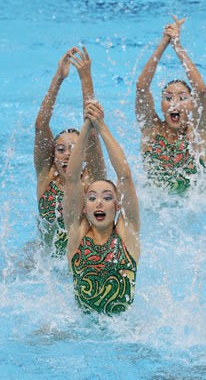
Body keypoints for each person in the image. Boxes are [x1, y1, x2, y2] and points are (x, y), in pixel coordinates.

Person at [64, 100, 140, 316]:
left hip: (124, 330)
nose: (99, 202)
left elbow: (124, 175)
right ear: (84, 208)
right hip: (82, 329)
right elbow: (72, 178)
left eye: (107, 198)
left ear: (117, 207)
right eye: (92, 198)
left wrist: (101, 126)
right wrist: (87, 126)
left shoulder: (127, 235)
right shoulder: (77, 234)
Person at [35, 47, 105, 256]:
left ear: (84, 155)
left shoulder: (93, 181)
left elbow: (92, 132)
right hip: (45, 265)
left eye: (74, 150)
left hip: (81, 264)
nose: (67, 154)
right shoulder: (45, 177)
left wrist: (85, 79)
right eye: (61, 149)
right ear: (53, 156)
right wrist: (58, 78)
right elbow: (40, 126)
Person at [136, 15, 206, 191]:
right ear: (161, 105)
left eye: (182, 98)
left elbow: (200, 90)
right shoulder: (151, 128)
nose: (174, 103)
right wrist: (164, 42)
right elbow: (141, 88)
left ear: (192, 105)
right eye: (168, 98)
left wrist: (177, 46)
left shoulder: (199, 130)